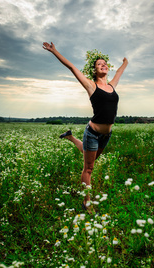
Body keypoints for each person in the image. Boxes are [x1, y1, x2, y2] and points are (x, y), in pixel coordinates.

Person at [43, 42, 128, 213]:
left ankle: (70, 137)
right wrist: (54, 51)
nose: (103, 65)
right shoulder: (91, 85)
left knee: (90, 157)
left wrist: (125, 62)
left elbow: (119, 72)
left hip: (106, 135)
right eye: (99, 64)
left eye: (105, 63)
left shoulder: (112, 86)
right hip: (93, 133)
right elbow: (72, 67)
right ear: (95, 70)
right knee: (88, 168)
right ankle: (86, 202)